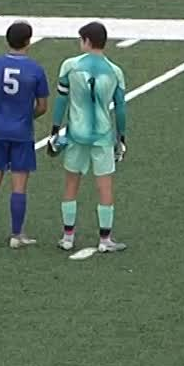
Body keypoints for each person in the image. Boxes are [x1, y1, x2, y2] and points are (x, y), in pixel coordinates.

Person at [48, 22, 128, 254]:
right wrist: (121, 136)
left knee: (71, 184)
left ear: (86, 41)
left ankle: (67, 237)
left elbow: (61, 100)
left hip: (76, 134)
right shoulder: (115, 71)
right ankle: (105, 239)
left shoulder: (70, 66)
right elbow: (121, 108)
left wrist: (55, 129)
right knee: (104, 186)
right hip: (102, 135)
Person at [0, 21, 49, 249]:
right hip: (22, 132)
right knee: (19, 185)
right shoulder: (35, 69)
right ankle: (16, 235)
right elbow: (42, 105)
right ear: (29, 41)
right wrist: (25, 116)